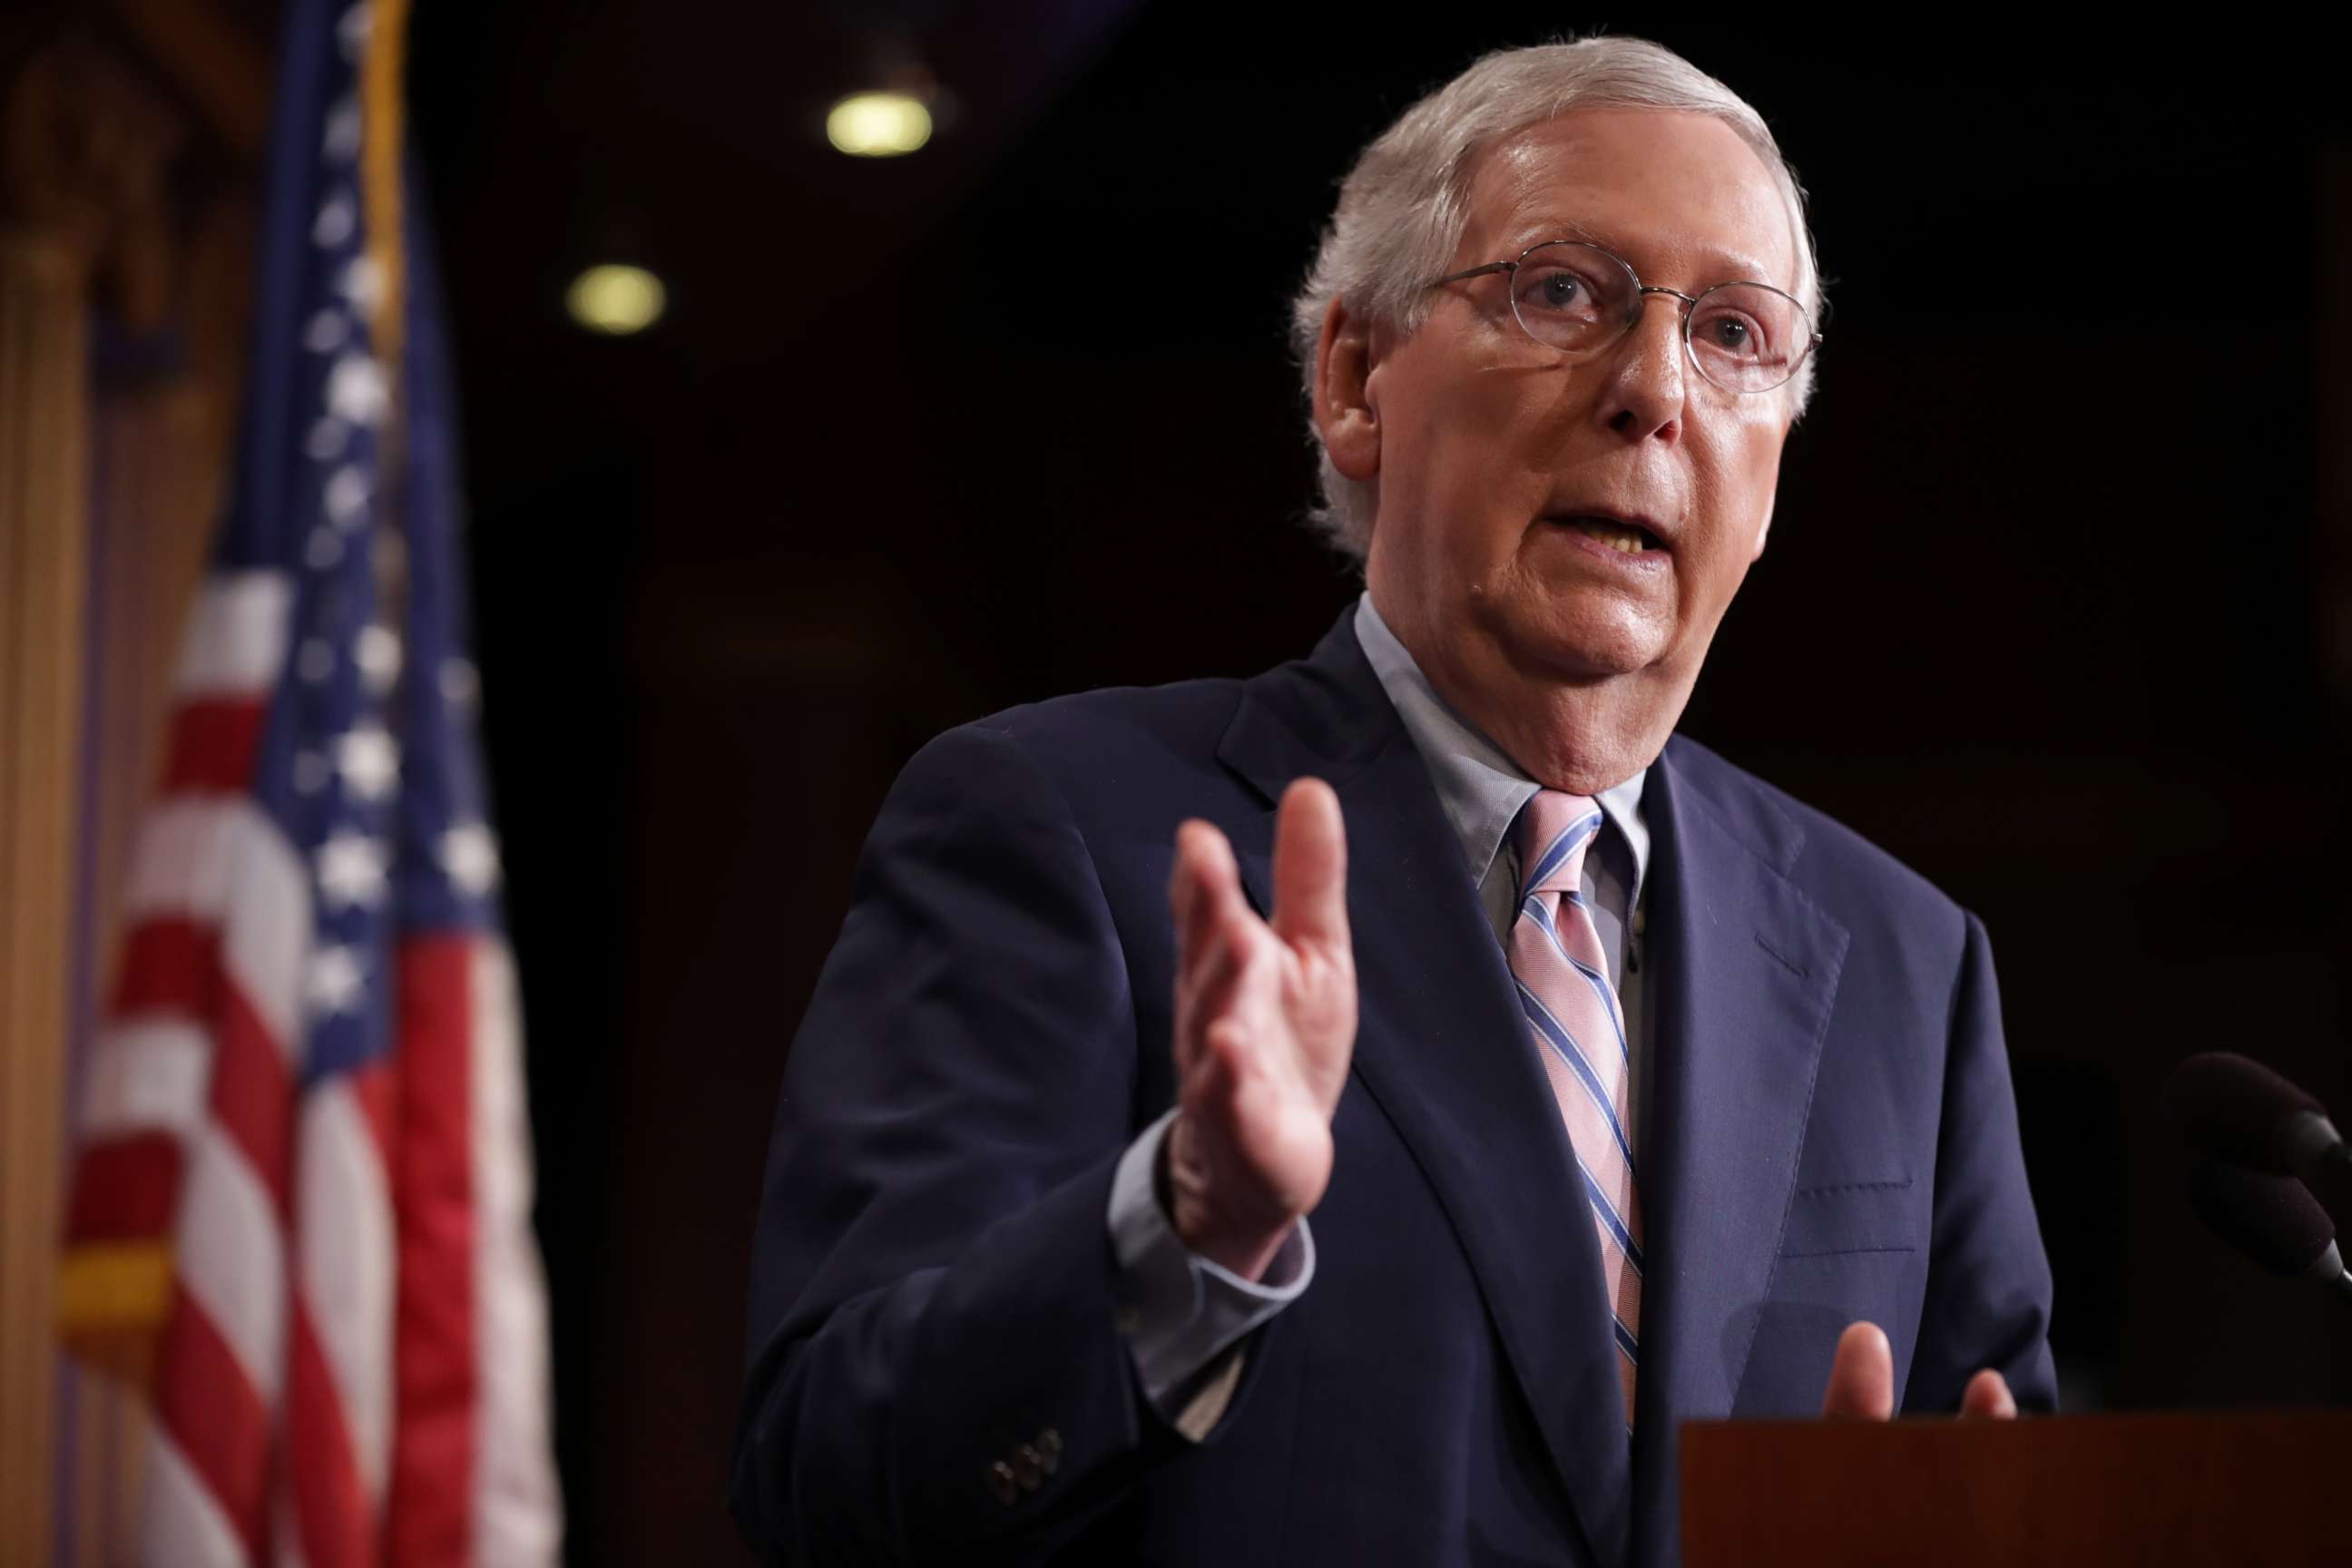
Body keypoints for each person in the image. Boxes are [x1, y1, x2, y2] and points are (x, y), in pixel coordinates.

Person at [731, 35, 2054, 1568]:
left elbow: (1992, 1473)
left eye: (1736, 335)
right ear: (1357, 381)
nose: (1651, 392)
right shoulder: (1057, 831)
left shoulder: (1905, 961)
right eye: (1565, 291)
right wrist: (1188, 1232)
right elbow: (828, 1476)